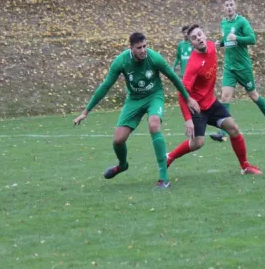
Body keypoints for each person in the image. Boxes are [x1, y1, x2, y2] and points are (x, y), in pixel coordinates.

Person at [73, 32, 200, 189]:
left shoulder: (154, 58)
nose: (143, 50)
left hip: (154, 96)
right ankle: (122, 165)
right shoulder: (121, 61)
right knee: (118, 140)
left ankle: (163, 178)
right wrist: (86, 111)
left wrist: (188, 98)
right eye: (139, 47)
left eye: (145, 46)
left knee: (154, 125)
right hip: (134, 100)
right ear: (131, 48)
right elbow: (105, 86)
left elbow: (173, 77)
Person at [167, 25, 263, 175]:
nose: (198, 38)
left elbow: (221, 43)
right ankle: (169, 157)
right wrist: (188, 119)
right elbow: (182, 93)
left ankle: (245, 166)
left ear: (205, 35)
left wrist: (236, 37)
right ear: (191, 43)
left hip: (211, 103)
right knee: (198, 143)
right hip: (197, 108)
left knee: (233, 129)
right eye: (194, 38)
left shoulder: (211, 46)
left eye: (200, 34)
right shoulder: (193, 64)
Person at [209, 0, 265, 142]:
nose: (229, 7)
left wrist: (238, 38)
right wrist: (219, 43)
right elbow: (227, 39)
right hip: (229, 68)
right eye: (226, 5)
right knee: (225, 97)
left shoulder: (242, 22)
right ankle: (222, 132)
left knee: (253, 96)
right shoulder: (223, 23)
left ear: (235, 6)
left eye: (231, 5)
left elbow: (252, 39)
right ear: (223, 8)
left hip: (243, 67)